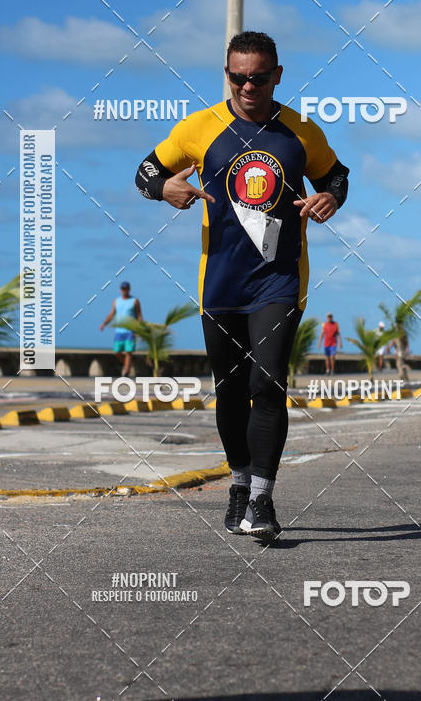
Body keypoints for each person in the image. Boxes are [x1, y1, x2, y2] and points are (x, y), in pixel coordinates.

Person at [135, 31, 349, 539]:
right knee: (230, 390)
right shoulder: (200, 127)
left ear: (277, 75)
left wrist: (330, 200)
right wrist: (162, 187)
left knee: (268, 382)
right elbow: (146, 170)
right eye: (237, 77)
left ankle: (263, 500)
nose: (247, 86)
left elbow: (336, 175)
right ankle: (237, 483)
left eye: (257, 77)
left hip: (279, 279)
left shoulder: (300, 132)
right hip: (221, 282)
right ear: (226, 74)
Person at [100, 282, 142, 376]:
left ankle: (126, 371)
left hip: (130, 331)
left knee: (128, 352)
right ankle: (127, 365)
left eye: (126, 289)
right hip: (119, 331)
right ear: (120, 290)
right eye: (122, 289)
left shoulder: (134, 301)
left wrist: (140, 329)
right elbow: (112, 314)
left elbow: (139, 316)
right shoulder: (116, 301)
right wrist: (104, 324)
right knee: (117, 352)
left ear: (129, 289)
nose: (124, 290)